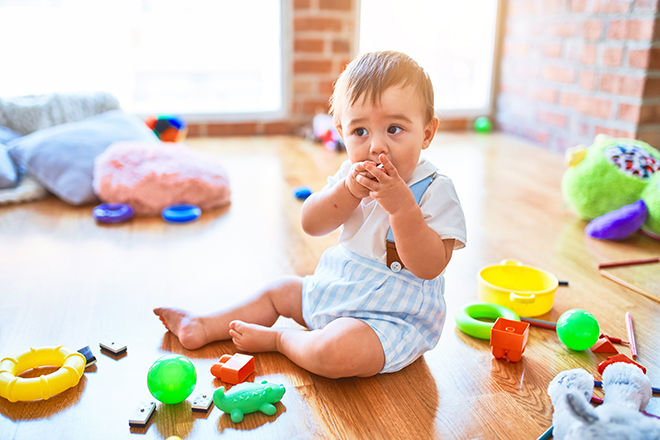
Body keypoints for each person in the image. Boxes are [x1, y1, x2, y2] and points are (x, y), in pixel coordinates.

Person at [154, 51, 467, 379]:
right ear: (342, 133)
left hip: (391, 318)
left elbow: (430, 266)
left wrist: (402, 207)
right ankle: (204, 325)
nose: (377, 146)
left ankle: (282, 340)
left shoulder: (435, 189)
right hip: (339, 288)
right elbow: (312, 223)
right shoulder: (350, 174)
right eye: (360, 132)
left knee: (334, 352)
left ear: (427, 133)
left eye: (394, 128)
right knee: (281, 291)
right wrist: (346, 192)